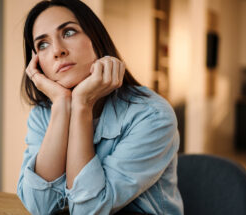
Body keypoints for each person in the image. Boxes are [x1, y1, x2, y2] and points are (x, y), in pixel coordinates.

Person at [17, 0, 183, 214]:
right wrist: (61, 105)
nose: (57, 50)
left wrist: (83, 103)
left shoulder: (152, 115)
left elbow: (88, 210)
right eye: (43, 44)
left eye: (68, 32)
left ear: (96, 38)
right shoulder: (44, 114)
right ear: (37, 64)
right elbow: (39, 207)